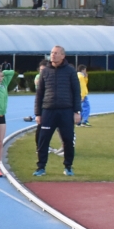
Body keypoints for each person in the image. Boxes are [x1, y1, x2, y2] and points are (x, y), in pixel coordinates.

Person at [33, 45, 82, 177]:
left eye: (56, 53)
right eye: (51, 53)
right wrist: (38, 113)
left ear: (62, 56)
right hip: (48, 111)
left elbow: (76, 92)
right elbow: (39, 93)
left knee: (68, 139)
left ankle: (68, 166)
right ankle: (41, 167)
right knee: (43, 140)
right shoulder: (45, 72)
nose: (53, 55)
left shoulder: (70, 71)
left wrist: (77, 111)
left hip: (66, 111)